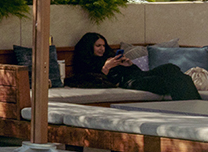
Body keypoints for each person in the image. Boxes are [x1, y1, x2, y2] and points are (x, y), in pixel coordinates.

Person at [67, 30, 199, 101]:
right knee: (170, 80)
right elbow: (91, 82)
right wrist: (105, 69)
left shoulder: (109, 56)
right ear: (90, 47)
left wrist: (129, 65)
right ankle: (190, 107)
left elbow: (136, 71)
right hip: (129, 82)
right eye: (97, 46)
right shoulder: (85, 63)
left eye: (103, 45)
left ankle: (195, 105)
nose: (102, 49)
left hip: (137, 75)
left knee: (171, 68)